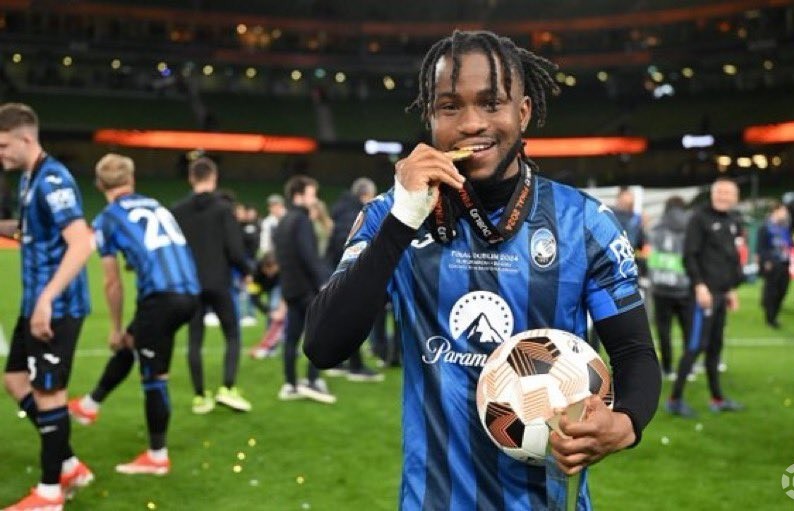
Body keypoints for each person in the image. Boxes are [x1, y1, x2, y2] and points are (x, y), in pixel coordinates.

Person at [303, 30, 661, 509]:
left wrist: (625, 423)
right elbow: (324, 345)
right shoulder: (390, 216)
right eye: (450, 107)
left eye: (492, 104)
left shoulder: (584, 222)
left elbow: (634, 351)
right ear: (430, 118)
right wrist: (402, 220)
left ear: (523, 112)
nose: (472, 123)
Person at [67, 153, 198, 475]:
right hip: (190, 292)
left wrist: (113, 326)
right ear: (132, 180)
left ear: (99, 185)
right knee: (131, 341)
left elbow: (112, 282)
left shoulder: (108, 218)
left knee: (154, 377)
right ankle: (89, 405)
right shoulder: (156, 205)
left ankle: (157, 456)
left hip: (161, 298)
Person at [0, 103, 95, 509]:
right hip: (35, 304)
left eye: (3, 145)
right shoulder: (29, 178)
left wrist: (47, 299)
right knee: (15, 381)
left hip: (55, 308)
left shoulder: (53, 179)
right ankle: (68, 463)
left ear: (26, 138)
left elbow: (81, 242)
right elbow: (31, 230)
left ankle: (50, 493)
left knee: (48, 394)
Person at [171, 156, 253, 414]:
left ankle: (200, 396)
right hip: (219, 282)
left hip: (191, 284)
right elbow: (235, 249)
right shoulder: (223, 209)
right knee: (232, 335)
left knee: (195, 340)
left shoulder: (177, 210)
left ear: (191, 178)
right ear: (214, 178)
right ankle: (227, 388)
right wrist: (247, 272)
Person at [666, 178, 745, 418]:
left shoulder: (733, 221)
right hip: (704, 295)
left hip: (721, 294)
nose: (723, 196)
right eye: (719, 191)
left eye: (728, 192)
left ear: (736, 197)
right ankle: (674, 399)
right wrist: (700, 286)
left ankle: (717, 398)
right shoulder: (699, 218)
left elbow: (730, 259)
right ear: (712, 194)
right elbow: (689, 255)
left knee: (715, 347)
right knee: (695, 346)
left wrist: (731, 289)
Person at [272, 175, 336, 403]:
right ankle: (312, 381)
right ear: (298, 195)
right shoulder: (301, 220)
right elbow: (308, 255)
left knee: (291, 338)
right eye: (311, 194)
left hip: (289, 288)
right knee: (318, 335)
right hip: (306, 289)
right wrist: (323, 282)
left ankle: (290, 384)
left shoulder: (283, 220)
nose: (314, 198)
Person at [326, 177, 384, 382]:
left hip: (334, 270)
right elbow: (350, 246)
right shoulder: (356, 214)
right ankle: (355, 366)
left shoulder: (340, 209)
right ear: (365, 195)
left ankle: (338, 362)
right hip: (350, 272)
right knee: (353, 320)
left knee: (340, 319)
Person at [647, 196, 692, 381]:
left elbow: (648, 254)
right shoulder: (689, 227)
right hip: (684, 286)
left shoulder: (655, 228)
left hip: (660, 286)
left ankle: (667, 368)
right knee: (688, 330)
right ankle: (688, 368)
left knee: (664, 330)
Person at [757, 201, 792, 328]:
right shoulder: (765, 227)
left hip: (784, 262)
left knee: (783, 289)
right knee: (772, 290)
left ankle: (774, 313)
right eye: (783, 211)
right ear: (775, 211)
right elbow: (761, 247)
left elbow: (788, 244)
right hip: (772, 263)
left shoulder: (785, 227)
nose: (785, 214)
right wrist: (766, 261)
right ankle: (771, 317)